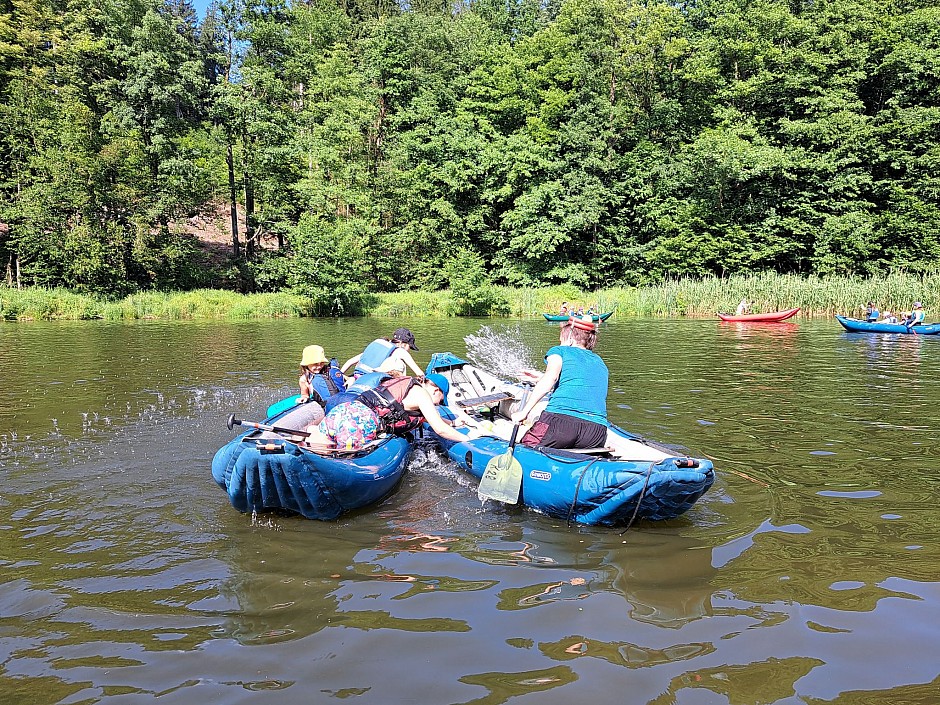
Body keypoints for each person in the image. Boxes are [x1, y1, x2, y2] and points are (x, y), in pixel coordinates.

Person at [305, 373, 480, 449]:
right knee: (343, 458)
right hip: (360, 423)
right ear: (436, 391)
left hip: (343, 411)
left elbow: (425, 419)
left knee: (319, 449)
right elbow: (439, 429)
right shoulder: (422, 394)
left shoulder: (405, 385)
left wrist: (454, 422)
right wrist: (468, 438)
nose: (437, 404)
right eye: (440, 401)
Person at [510, 315, 608, 449]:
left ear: (570, 339)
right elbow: (579, 382)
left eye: (561, 340)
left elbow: (551, 378)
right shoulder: (599, 362)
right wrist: (540, 377)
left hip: (560, 423)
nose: (560, 343)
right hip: (596, 432)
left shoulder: (560, 351)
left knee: (525, 447)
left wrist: (524, 412)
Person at [341, 327, 424, 379]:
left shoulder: (379, 345)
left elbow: (350, 361)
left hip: (357, 376)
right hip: (372, 381)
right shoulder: (401, 351)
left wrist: (340, 375)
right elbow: (420, 374)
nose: (409, 350)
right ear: (403, 344)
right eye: (410, 347)